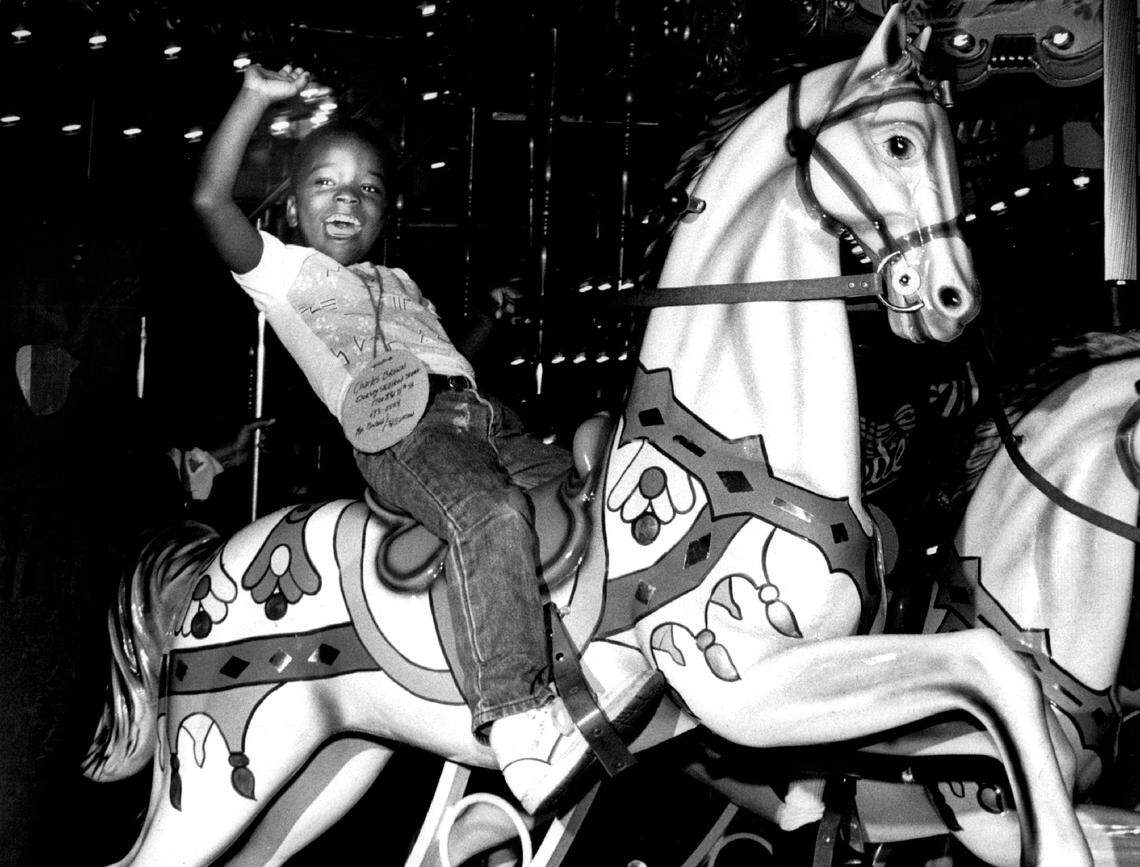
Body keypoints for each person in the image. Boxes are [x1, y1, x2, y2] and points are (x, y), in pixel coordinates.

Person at [192, 63, 659, 814]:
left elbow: (449, 365)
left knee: (594, 496)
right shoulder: (282, 273)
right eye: (325, 184)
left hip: (484, 414)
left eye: (369, 188)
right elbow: (210, 199)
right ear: (291, 207)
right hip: (399, 435)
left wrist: (491, 321)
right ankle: (518, 723)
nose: (348, 197)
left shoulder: (402, 283)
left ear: (386, 212)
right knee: (489, 512)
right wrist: (252, 97)